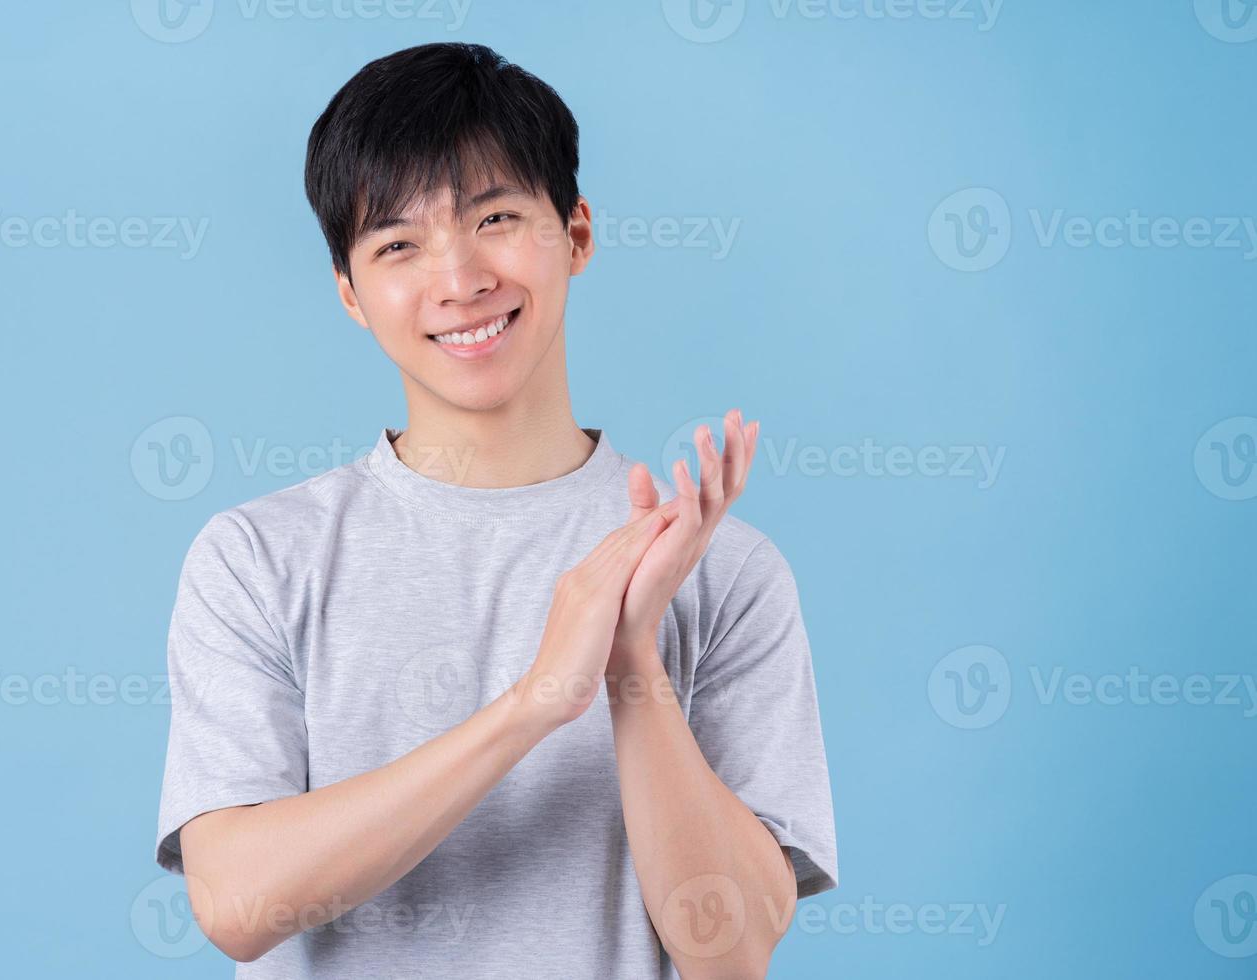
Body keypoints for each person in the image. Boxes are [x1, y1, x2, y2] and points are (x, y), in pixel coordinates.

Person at [154, 41, 837, 979]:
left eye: (497, 218)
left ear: (578, 234)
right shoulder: (257, 557)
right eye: (398, 244)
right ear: (351, 295)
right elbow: (236, 905)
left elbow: (730, 953)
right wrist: (532, 706)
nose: (460, 277)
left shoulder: (721, 569)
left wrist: (632, 666)